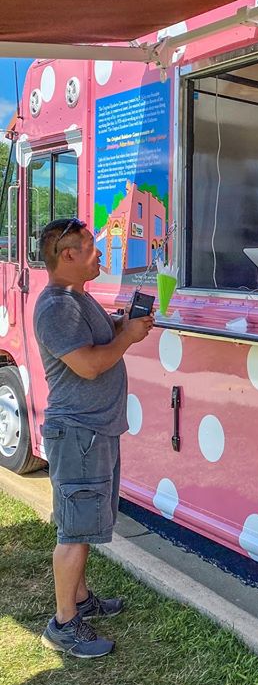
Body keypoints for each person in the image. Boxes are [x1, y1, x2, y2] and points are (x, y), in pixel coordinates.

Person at [35, 218, 154, 659]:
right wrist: (126, 336)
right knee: (73, 532)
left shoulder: (77, 299)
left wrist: (123, 325)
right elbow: (87, 365)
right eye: (90, 247)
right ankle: (64, 623)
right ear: (67, 256)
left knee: (83, 524)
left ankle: (81, 601)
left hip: (94, 430)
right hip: (79, 432)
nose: (99, 253)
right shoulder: (57, 307)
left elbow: (97, 343)